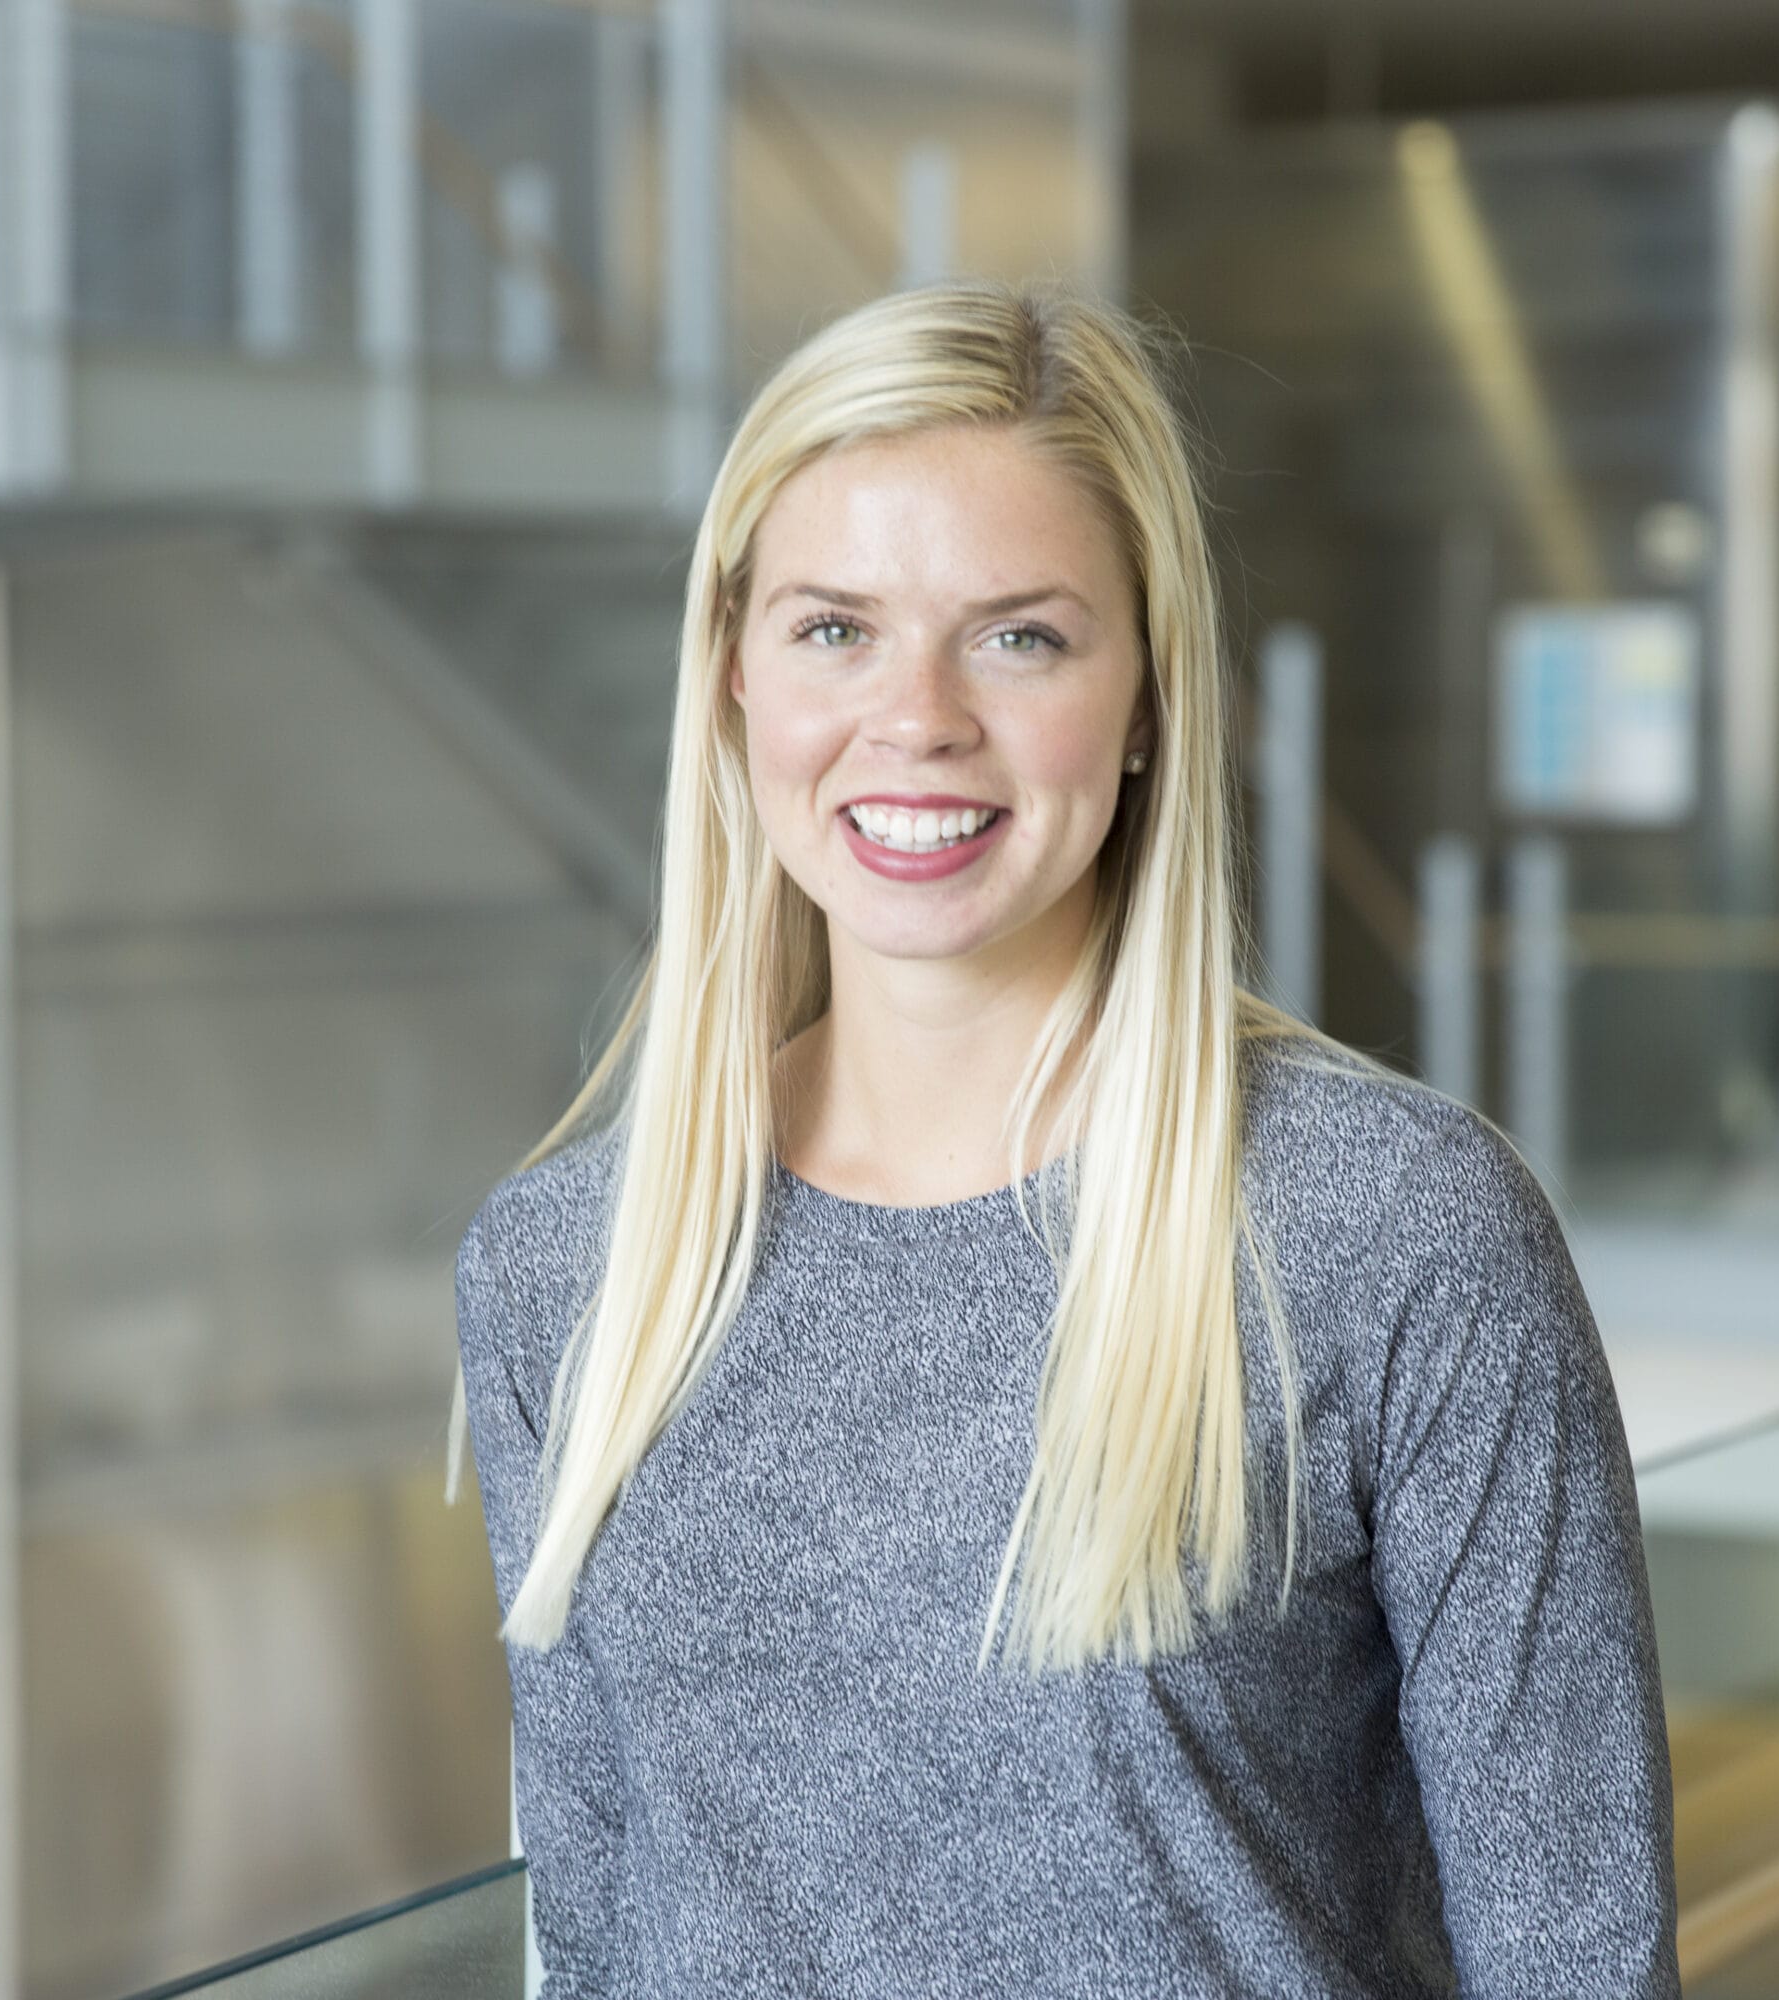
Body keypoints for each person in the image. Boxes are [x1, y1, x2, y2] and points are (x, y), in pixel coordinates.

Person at [444, 279, 1679, 1997]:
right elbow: (592, 1938)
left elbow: (1577, 1962)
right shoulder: (566, 1273)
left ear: (1152, 691)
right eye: (833, 628)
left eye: (1018, 634)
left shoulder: (1389, 1231)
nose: (919, 717)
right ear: (732, 675)